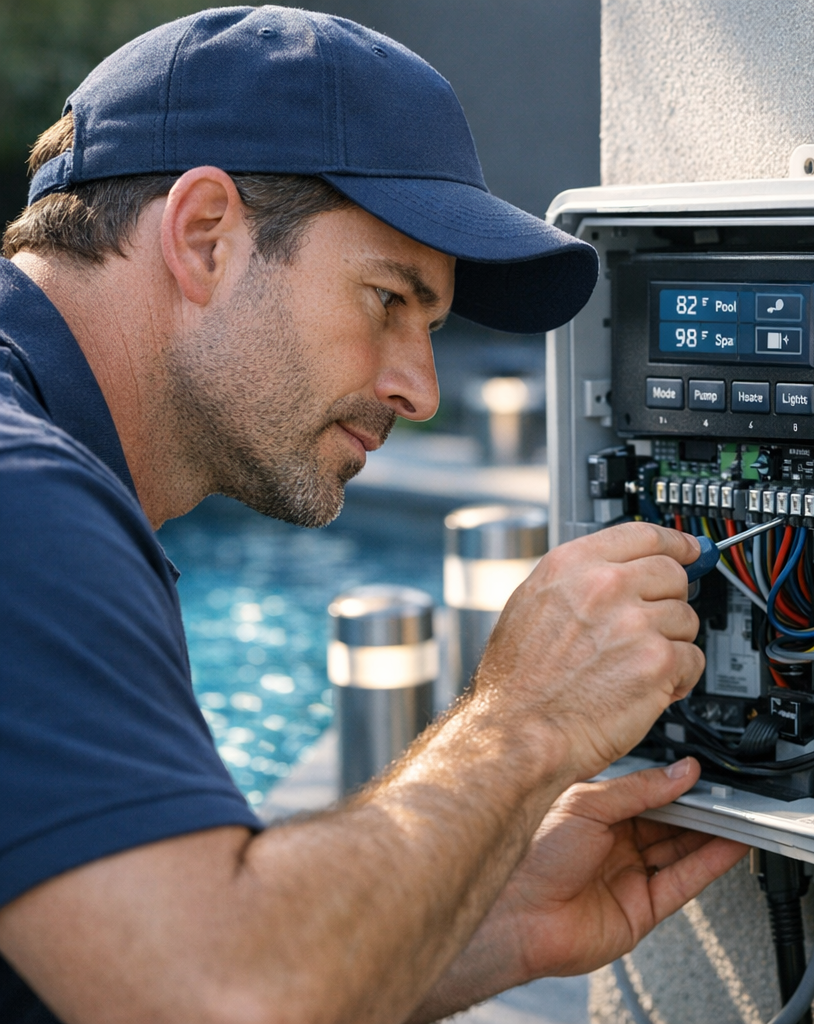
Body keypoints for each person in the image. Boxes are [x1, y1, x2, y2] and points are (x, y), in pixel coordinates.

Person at [0, 8, 747, 1023]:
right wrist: (521, 722)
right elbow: (222, 996)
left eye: (433, 326)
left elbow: (109, 968)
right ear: (205, 236)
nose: (420, 389)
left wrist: (489, 916)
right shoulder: (26, 497)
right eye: (388, 300)